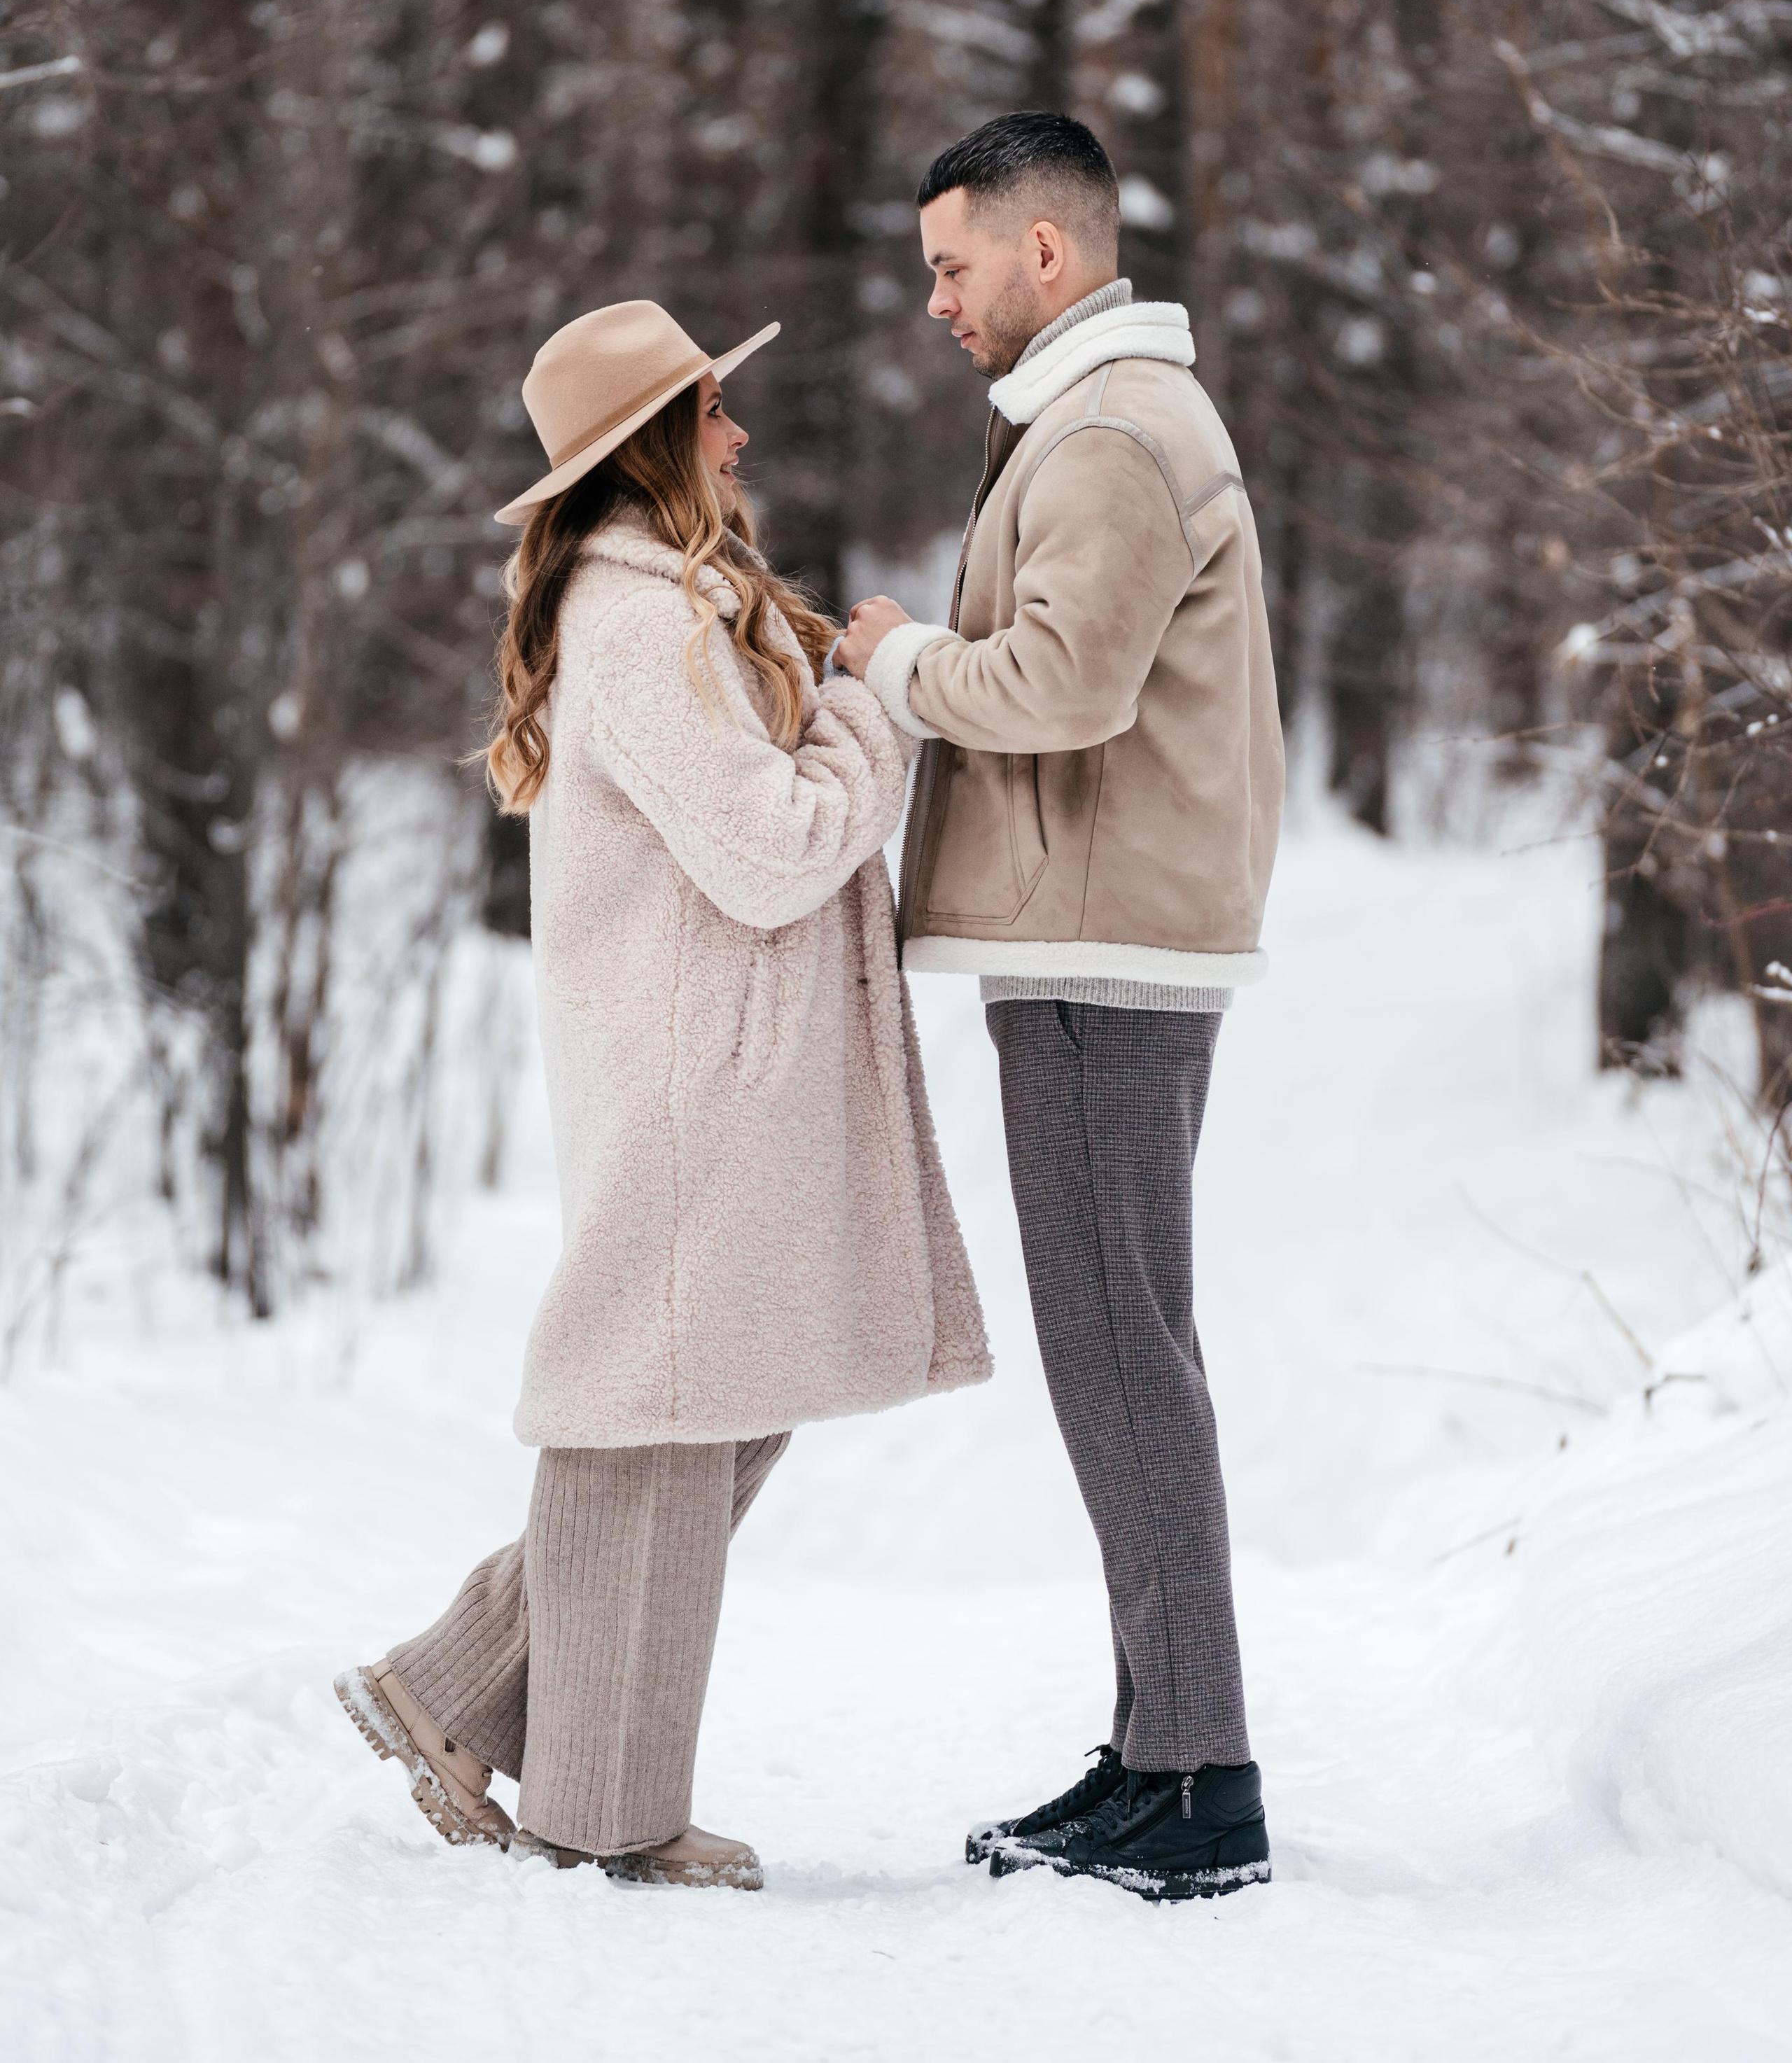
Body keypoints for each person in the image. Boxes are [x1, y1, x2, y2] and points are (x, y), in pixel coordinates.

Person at [337, 299, 990, 1890]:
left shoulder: (670, 599)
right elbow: (768, 844)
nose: (738, 433)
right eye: (713, 409)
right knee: (662, 1403)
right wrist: (866, 707)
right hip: (701, 1070)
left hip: (724, 1062)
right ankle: (599, 1810)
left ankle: (462, 1681)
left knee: (709, 1394)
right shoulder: (636, 619)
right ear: (656, 439)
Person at [836, 112, 1283, 1902]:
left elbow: (1061, 681)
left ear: (1047, 251)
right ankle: (1162, 1747)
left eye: (952, 262)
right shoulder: (1110, 417)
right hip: (1110, 939)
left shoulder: (1101, 431)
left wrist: (890, 661)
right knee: (1125, 1350)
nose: (932, 298)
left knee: (1120, 1360)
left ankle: (1199, 1787)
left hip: (1103, 952)